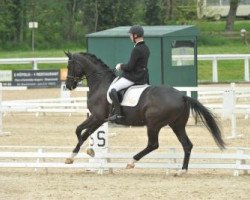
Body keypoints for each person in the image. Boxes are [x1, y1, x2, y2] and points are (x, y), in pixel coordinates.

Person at [108, 25, 150, 122]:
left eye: (131, 35)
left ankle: (118, 114)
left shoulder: (137, 49)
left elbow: (130, 67)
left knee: (113, 89)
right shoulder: (146, 48)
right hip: (143, 77)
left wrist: (121, 66)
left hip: (134, 77)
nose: (130, 37)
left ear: (135, 36)